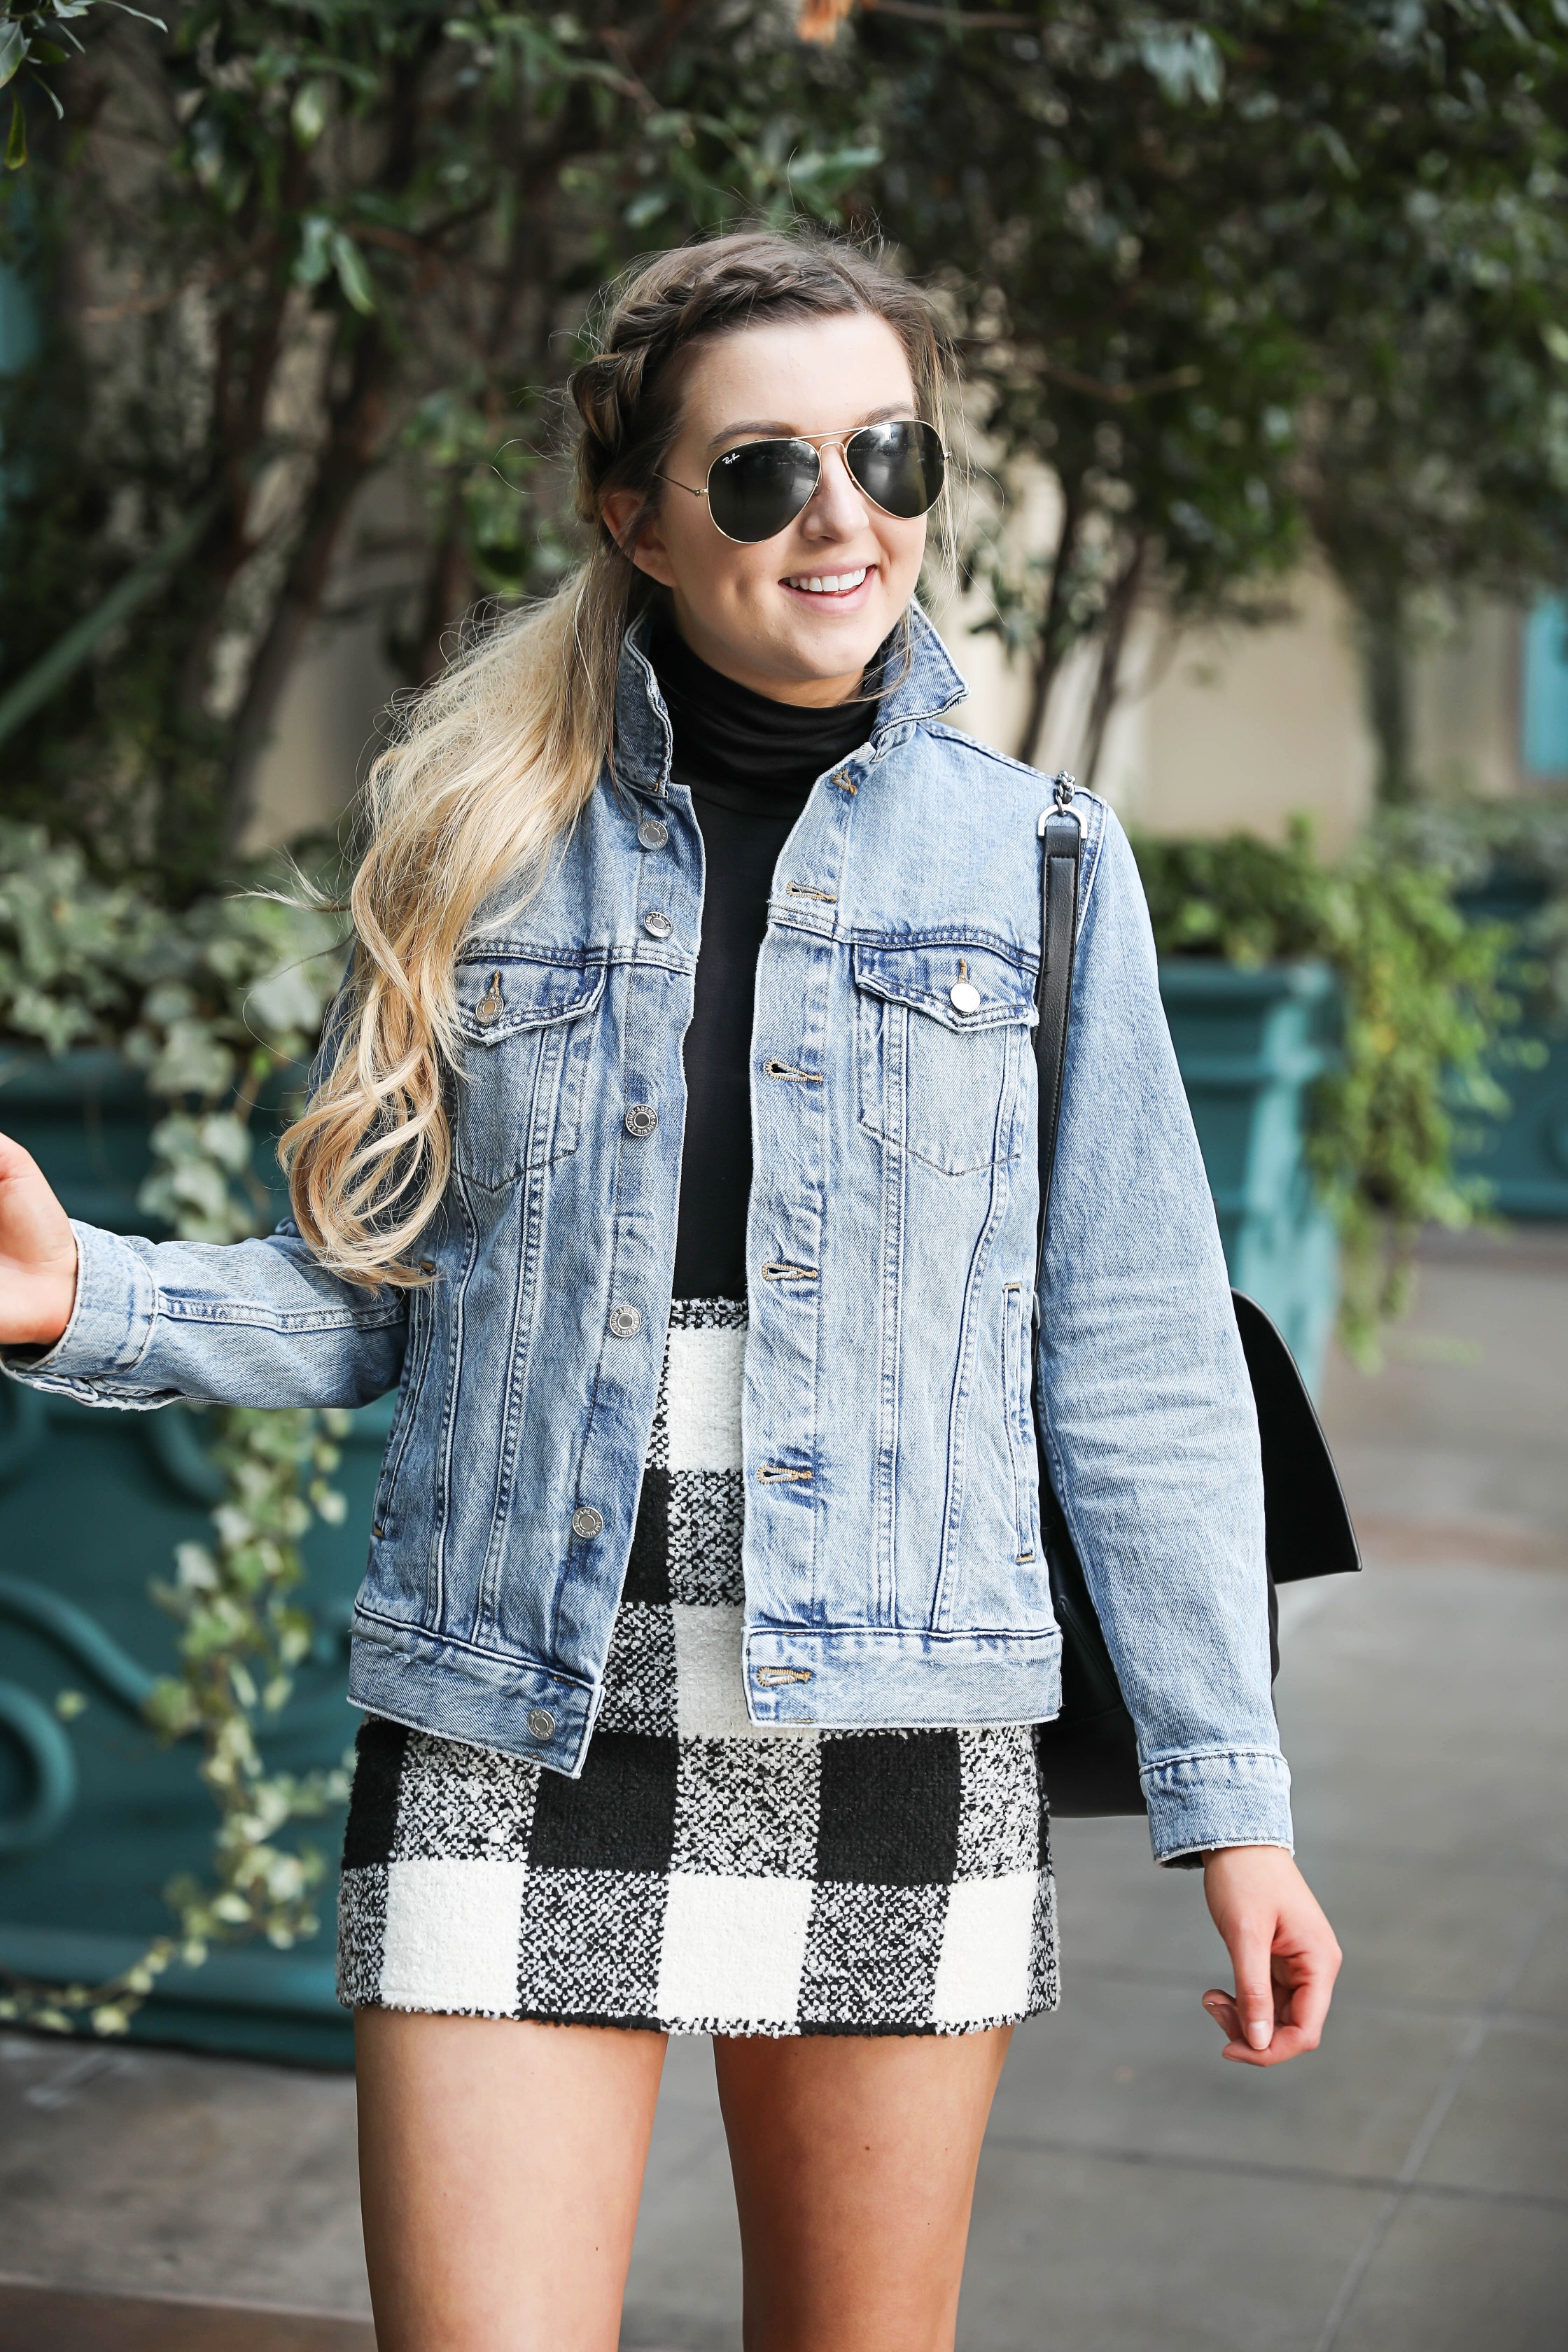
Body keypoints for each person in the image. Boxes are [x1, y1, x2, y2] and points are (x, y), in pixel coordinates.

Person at [0, 229, 1340, 2352]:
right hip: (514, 1691)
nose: (843, 518)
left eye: (886, 456)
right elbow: (371, 1303)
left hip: (898, 1695)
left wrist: (1231, 1805)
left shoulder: (1048, 865)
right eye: (761, 471)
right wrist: (77, 1291)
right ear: (630, 512)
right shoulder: (469, 848)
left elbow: (1141, 1360)